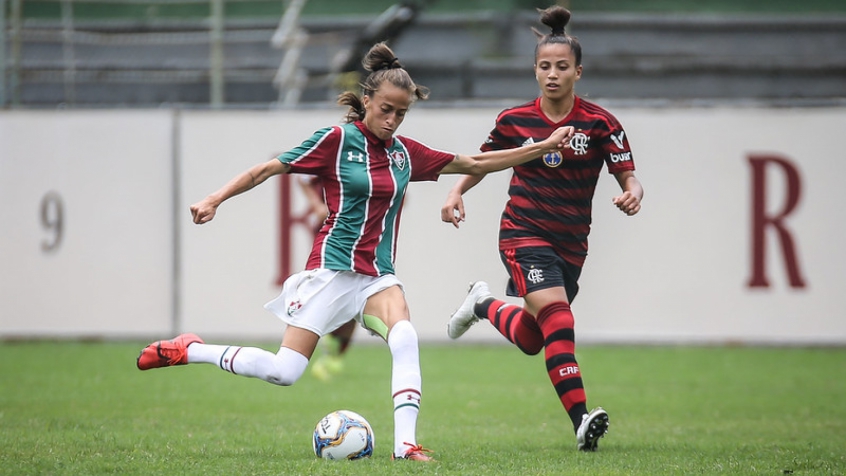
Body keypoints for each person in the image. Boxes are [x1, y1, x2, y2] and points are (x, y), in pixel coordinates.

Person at [136, 41, 575, 462]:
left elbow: (475, 163)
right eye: (386, 109)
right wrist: (215, 198)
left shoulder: (405, 154)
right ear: (367, 99)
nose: (392, 121)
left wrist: (542, 147)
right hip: (331, 271)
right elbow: (268, 169)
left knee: (404, 336)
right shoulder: (335, 140)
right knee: (283, 371)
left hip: (377, 276)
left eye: (401, 113)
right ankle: (189, 350)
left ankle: (406, 446)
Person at [441, 5, 644, 452]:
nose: (552, 74)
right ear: (534, 70)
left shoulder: (600, 123)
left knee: (536, 338)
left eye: (562, 67)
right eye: (544, 66)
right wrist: (457, 192)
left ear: (578, 72)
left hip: (571, 243)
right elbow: (481, 163)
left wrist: (633, 190)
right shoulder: (515, 121)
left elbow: (627, 173)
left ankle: (482, 304)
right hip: (523, 233)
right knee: (559, 317)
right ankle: (581, 420)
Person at [296, 175, 357, 381]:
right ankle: (324, 339)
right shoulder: (333, 147)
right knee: (329, 287)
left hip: (361, 236)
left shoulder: (373, 154)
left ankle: (334, 354)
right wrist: (317, 204)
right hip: (331, 233)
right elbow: (301, 177)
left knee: (355, 299)